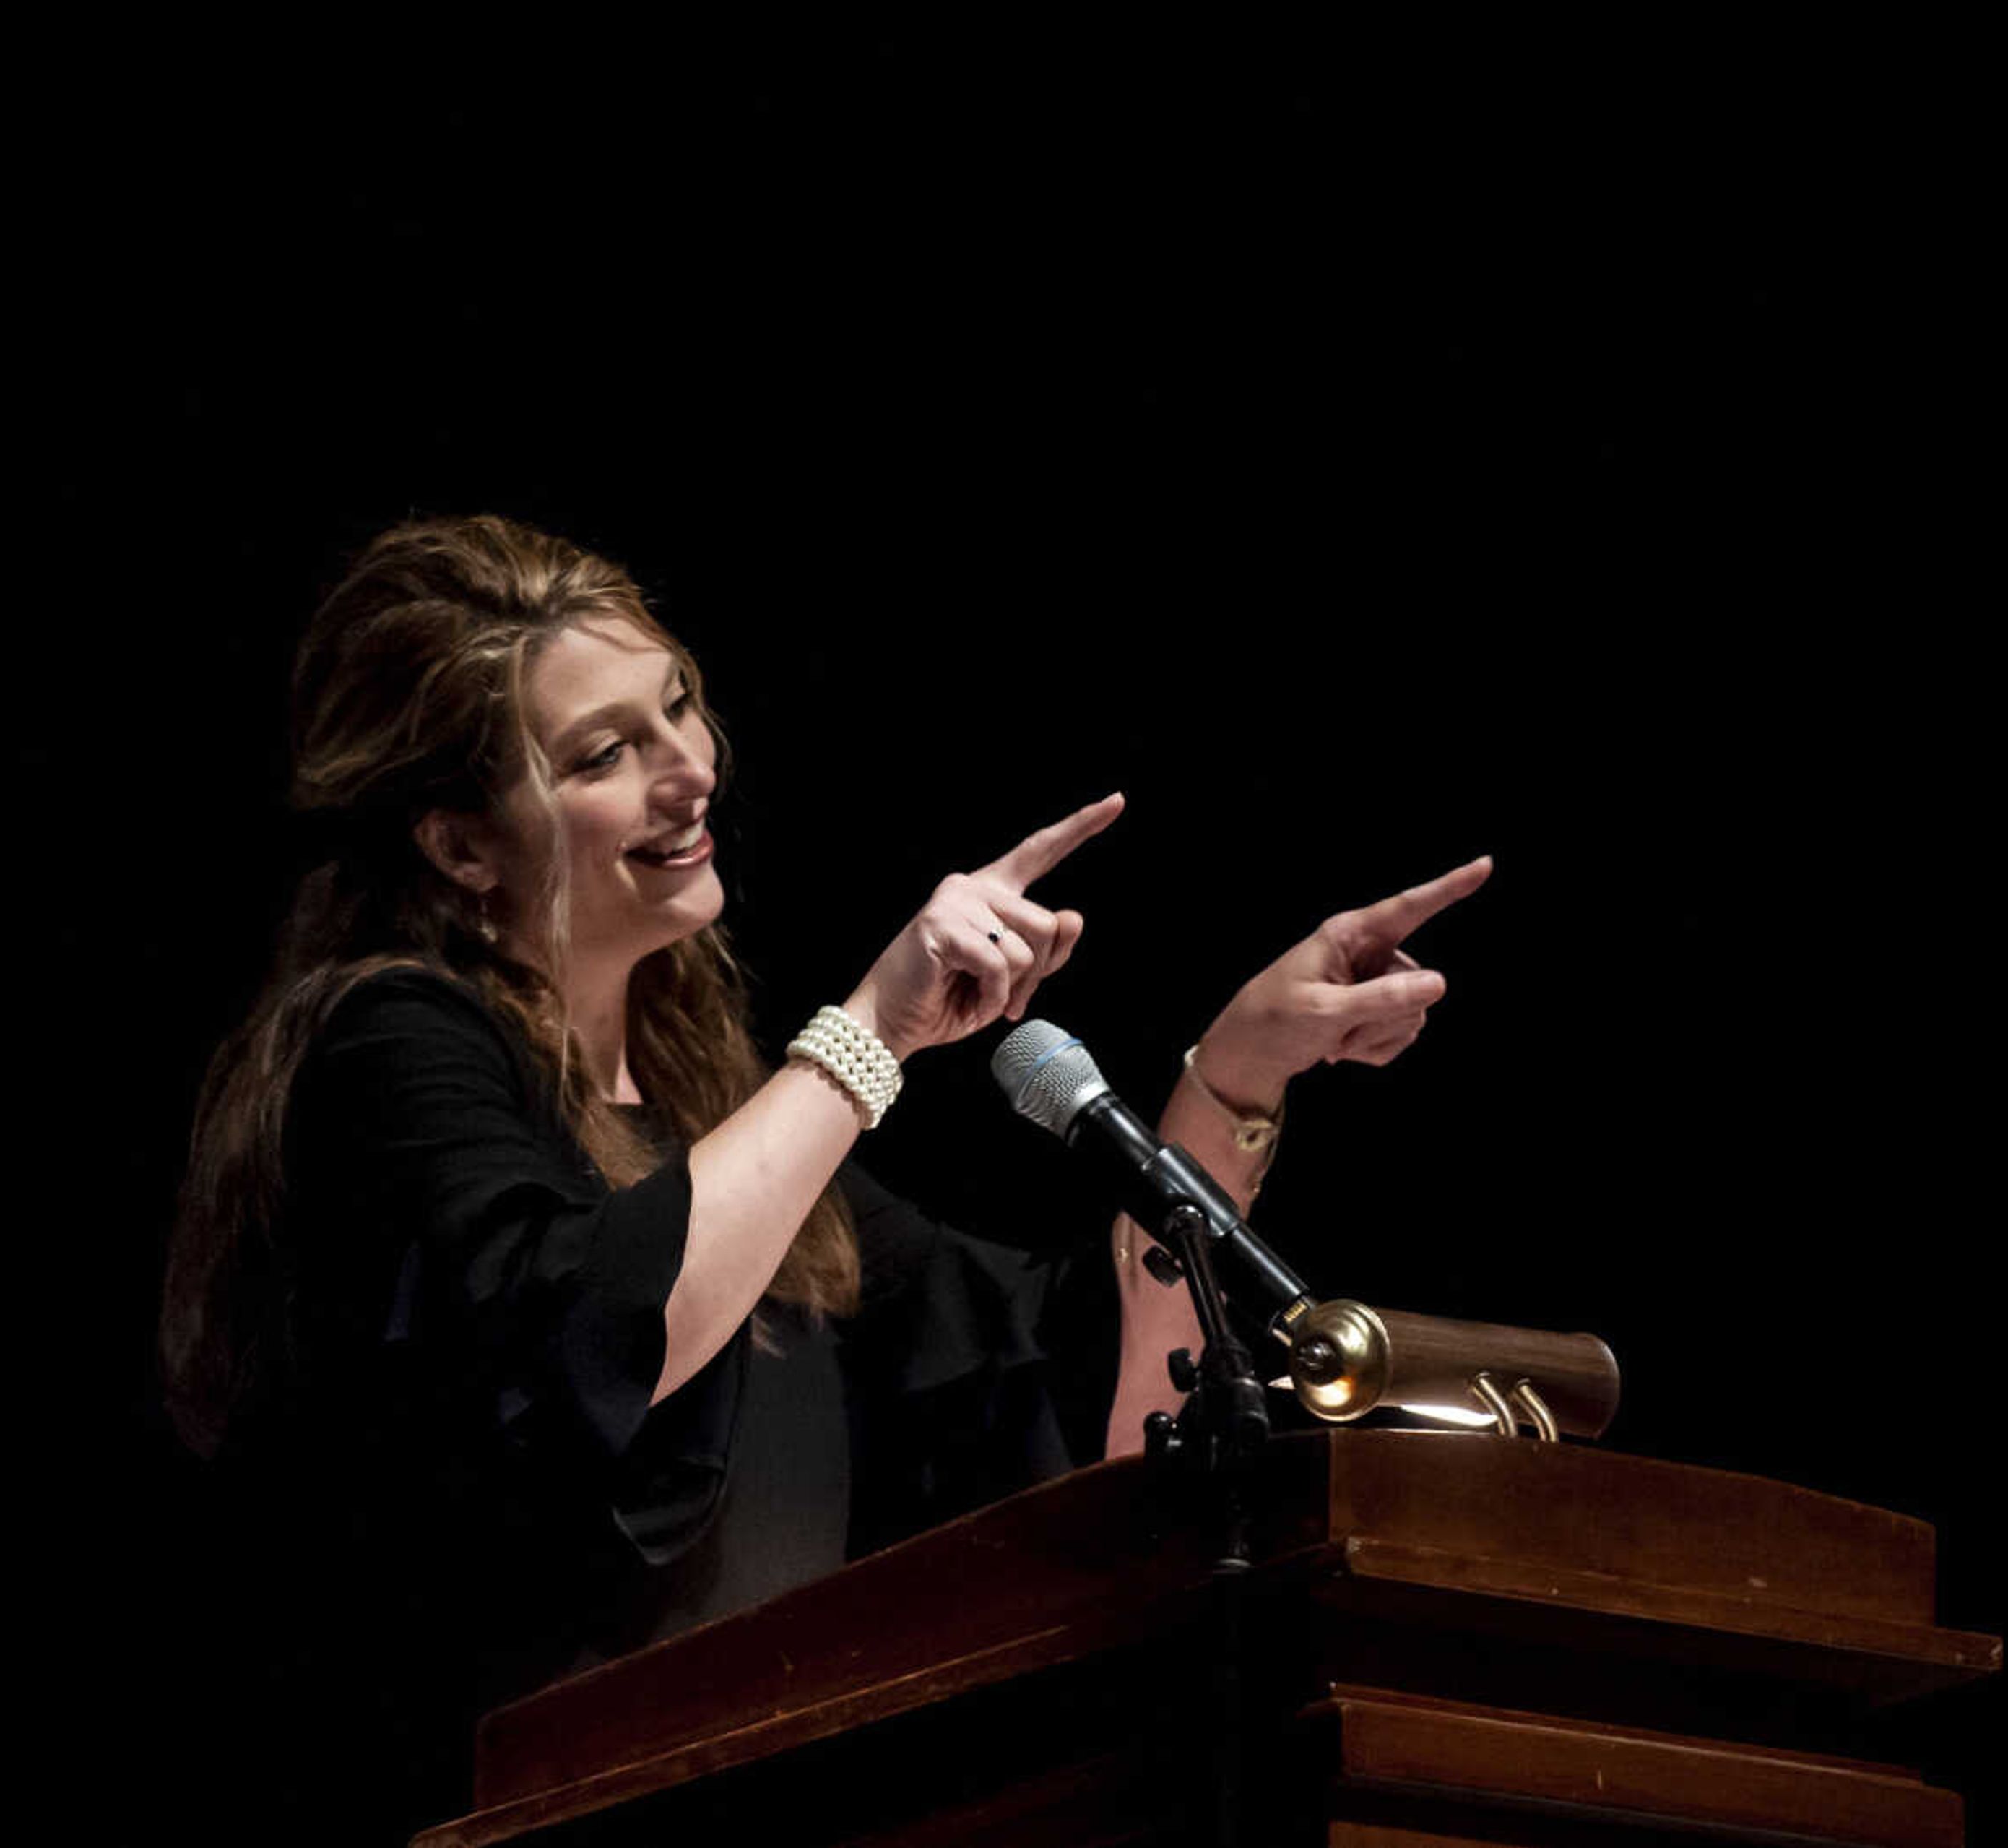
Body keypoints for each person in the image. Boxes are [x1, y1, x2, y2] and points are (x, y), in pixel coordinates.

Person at [155, 513, 1489, 1839]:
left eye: (680, 706)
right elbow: (587, 1329)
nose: (691, 770)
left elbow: (1083, 1392)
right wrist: (875, 1032)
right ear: (460, 844)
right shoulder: (390, 1046)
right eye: (606, 753)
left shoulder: (719, 1130)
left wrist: (1235, 1079)